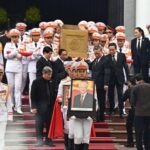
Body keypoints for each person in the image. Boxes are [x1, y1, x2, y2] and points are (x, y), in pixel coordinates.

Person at [31, 66, 55, 147]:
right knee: (39, 125)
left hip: (49, 107)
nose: (50, 76)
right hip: (39, 108)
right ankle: (39, 141)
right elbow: (32, 95)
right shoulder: (36, 81)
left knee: (49, 125)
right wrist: (33, 107)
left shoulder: (51, 81)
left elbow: (53, 94)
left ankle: (48, 140)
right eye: (48, 74)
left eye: (50, 74)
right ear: (43, 73)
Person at [106, 43, 129, 118]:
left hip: (120, 78)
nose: (111, 51)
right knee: (110, 95)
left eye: (113, 50)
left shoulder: (122, 55)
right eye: (110, 50)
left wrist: (128, 79)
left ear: (116, 49)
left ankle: (121, 111)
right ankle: (111, 110)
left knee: (120, 95)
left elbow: (125, 67)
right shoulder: (107, 57)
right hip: (110, 79)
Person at [4, 29, 23, 114]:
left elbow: (22, 56)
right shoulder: (8, 45)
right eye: (13, 37)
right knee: (10, 87)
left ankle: (18, 107)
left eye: (16, 37)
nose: (15, 38)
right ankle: (11, 104)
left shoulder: (21, 45)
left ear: (19, 37)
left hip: (18, 68)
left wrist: (14, 54)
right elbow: (6, 56)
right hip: (10, 68)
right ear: (11, 37)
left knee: (18, 88)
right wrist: (15, 52)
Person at [88, 45, 109, 122]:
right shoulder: (95, 60)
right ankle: (96, 116)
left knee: (101, 101)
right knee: (96, 101)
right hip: (94, 84)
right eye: (95, 53)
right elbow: (90, 66)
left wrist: (106, 83)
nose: (96, 55)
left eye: (97, 53)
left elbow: (107, 72)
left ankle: (101, 117)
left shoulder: (105, 60)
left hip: (101, 84)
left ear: (101, 51)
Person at [131, 74, 150, 150]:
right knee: (148, 132)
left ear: (137, 80)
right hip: (149, 114)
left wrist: (137, 105)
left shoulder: (135, 87)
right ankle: (148, 147)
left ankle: (139, 147)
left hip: (139, 113)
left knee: (138, 132)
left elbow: (132, 101)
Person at [0, 65, 13, 150]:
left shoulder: (5, 87)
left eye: (1, 74)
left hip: (2, 114)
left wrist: (10, 116)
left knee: (1, 136)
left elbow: (9, 103)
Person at [123, 77, 136, 147]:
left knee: (129, 126)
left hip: (133, 110)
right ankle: (140, 142)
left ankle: (130, 142)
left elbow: (123, 98)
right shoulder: (139, 88)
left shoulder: (129, 90)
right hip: (142, 110)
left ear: (130, 83)